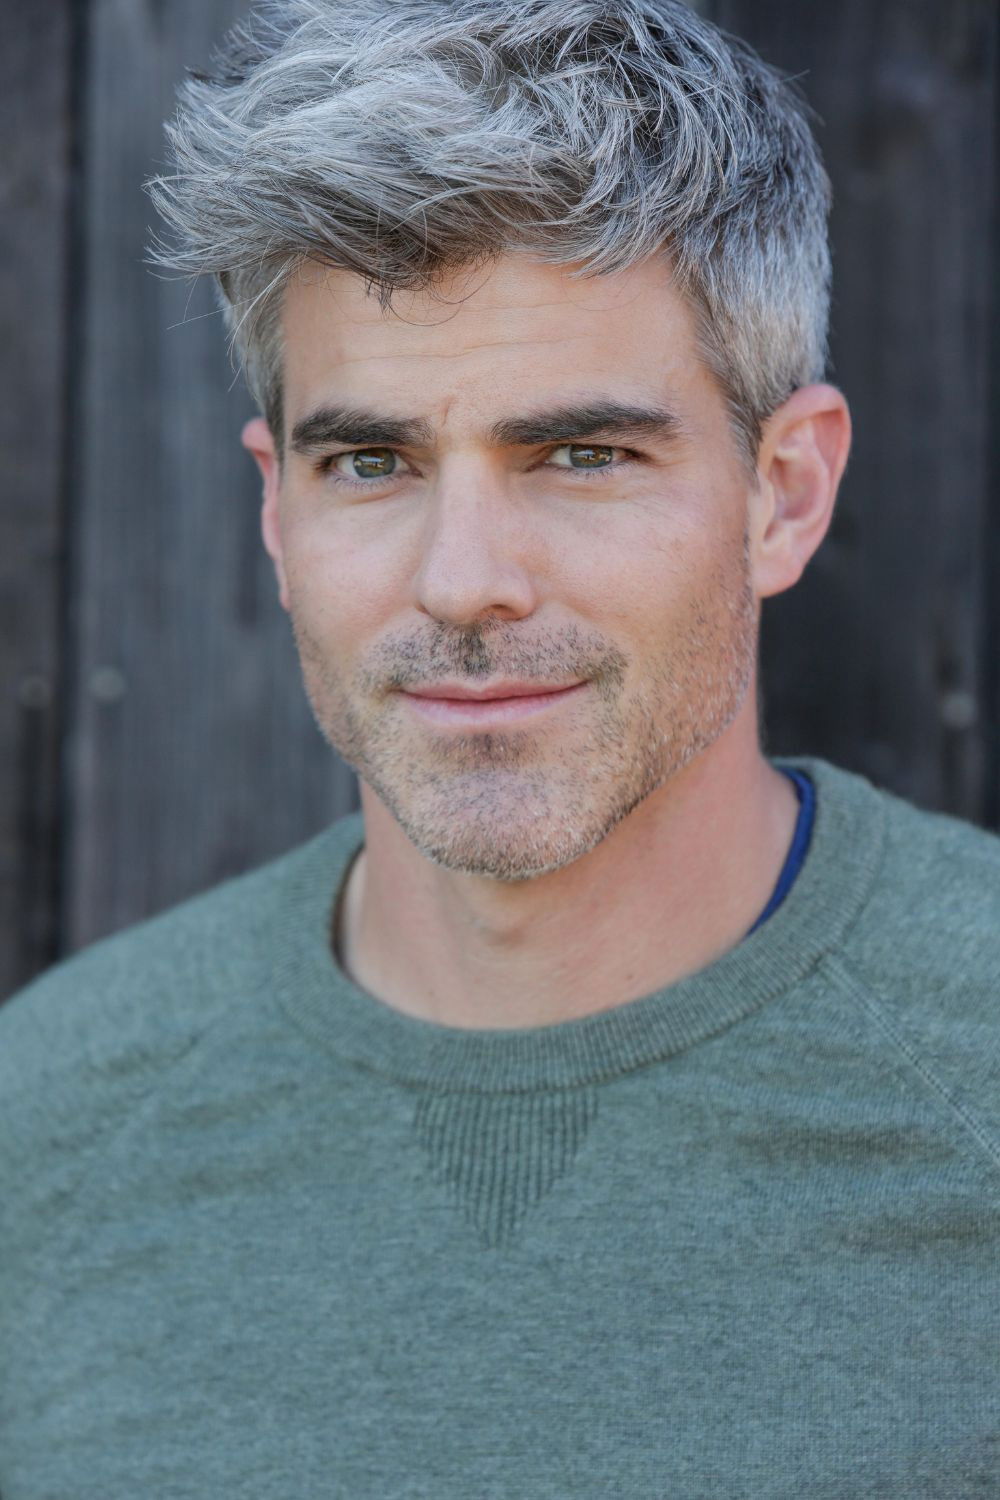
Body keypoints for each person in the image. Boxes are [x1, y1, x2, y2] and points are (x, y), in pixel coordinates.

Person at [1, 1, 997, 1493]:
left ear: (783, 494)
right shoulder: (47, 1121)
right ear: (277, 509)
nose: (463, 581)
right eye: (372, 462)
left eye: (583, 455)